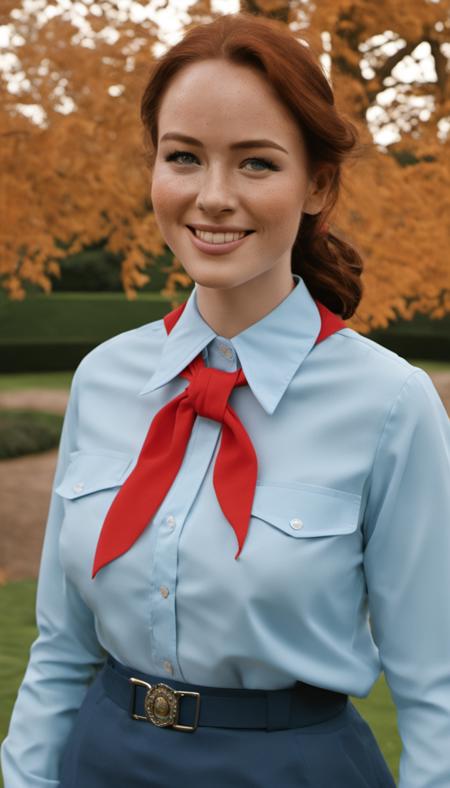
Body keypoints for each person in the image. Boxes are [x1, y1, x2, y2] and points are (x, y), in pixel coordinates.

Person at [2, 11, 450, 788]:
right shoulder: (103, 378)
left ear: (317, 183)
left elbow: (435, 686)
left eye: (256, 164)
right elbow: (61, 647)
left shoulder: (391, 404)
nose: (212, 197)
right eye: (184, 157)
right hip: (100, 761)